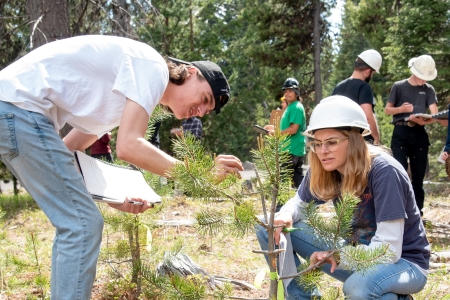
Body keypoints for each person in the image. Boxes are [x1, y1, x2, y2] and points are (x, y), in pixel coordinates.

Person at [0, 35, 243, 299]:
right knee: (82, 225)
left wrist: (111, 197)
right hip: (18, 107)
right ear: (192, 73)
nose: (201, 110)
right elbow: (128, 146)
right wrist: (201, 174)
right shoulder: (154, 67)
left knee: (80, 223)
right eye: (205, 98)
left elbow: (68, 153)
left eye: (206, 111)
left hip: (14, 109)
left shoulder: (123, 100)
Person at [256, 96, 430, 300]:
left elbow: (388, 250)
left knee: (359, 288)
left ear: (355, 139)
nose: (323, 151)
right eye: (317, 143)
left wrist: (338, 256)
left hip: (403, 263)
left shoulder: (384, 171)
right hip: (356, 255)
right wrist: (285, 214)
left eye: (331, 142)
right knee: (268, 225)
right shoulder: (327, 165)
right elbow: (299, 204)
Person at [384, 54, 445, 216]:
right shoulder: (399, 86)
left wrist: (424, 121)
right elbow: (387, 110)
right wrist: (401, 110)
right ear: (415, 72)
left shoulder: (429, 90)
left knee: (418, 175)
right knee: (399, 171)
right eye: (423, 77)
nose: (425, 81)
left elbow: (435, 115)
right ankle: (398, 210)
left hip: (419, 133)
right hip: (401, 131)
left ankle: (418, 212)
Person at [332, 49, 382, 145]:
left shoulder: (338, 86)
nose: (372, 76)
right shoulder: (364, 87)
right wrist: (376, 138)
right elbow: (367, 115)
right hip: (360, 139)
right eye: (373, 73)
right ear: (368, 71)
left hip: (341, 139)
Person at [265, 78, 306, 188]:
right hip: (291, 149)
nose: (287, 93)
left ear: (296, 92)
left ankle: (280, 205)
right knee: (297, 181)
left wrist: (276, 133)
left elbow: (293, 129)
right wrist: (273, 128)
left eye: (290, 91)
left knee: (282, 181)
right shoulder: (290, 107)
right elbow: (286, 127)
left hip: (291, 149)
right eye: (285, 91)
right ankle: (306, 203)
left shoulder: (296, 107)